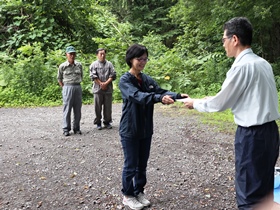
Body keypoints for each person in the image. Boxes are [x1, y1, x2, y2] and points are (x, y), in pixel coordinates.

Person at [184, 17, 280, 210]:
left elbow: (220, 103)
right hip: (270, 132)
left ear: (234, 39)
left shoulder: (241, 66)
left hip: (252, 136)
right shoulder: (263, 63)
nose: (223, 44)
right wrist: (210, 98)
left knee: (249, 194)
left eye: (224, 39)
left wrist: (195, 103)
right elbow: (248, 96)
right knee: (265, 190)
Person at [119, 43, 188, 210]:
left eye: (145, 59)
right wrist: (158, 98)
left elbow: (160, 90)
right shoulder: (125, 80)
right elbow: (138, 96)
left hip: (145, 129)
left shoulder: (147, 79)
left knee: (142, 164)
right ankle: (128, 195)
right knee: (131, 165)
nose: (142, 62)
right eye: (139, 59)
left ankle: (139, 191)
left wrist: (178, 96)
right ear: (130, 59)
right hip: (130, 129)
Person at [57, 46, 83, 136]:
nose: (72, 56)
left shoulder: (79, 65)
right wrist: (64, 88)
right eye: (70, 54)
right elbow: (59, 79)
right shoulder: (62, 66)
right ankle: (66, 128)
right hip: (67, 87)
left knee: (78, 109)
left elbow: (81, 76)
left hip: (77, 86)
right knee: (67, 108)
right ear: (66, 55)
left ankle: (77, 128)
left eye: (73, 54)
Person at [89, 48, 116, 130]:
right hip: (97, 89)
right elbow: (93, 76)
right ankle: (98, 122)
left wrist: (106, 83)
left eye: (104, 53)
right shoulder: (94, 65)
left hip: (108, 89)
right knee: (97, 107)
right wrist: (101, 83)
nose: (102, 55)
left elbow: (113, 75)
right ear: (97, 55)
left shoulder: (109, 64)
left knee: (108, 107)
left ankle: (107, 122)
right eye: (100, 54)